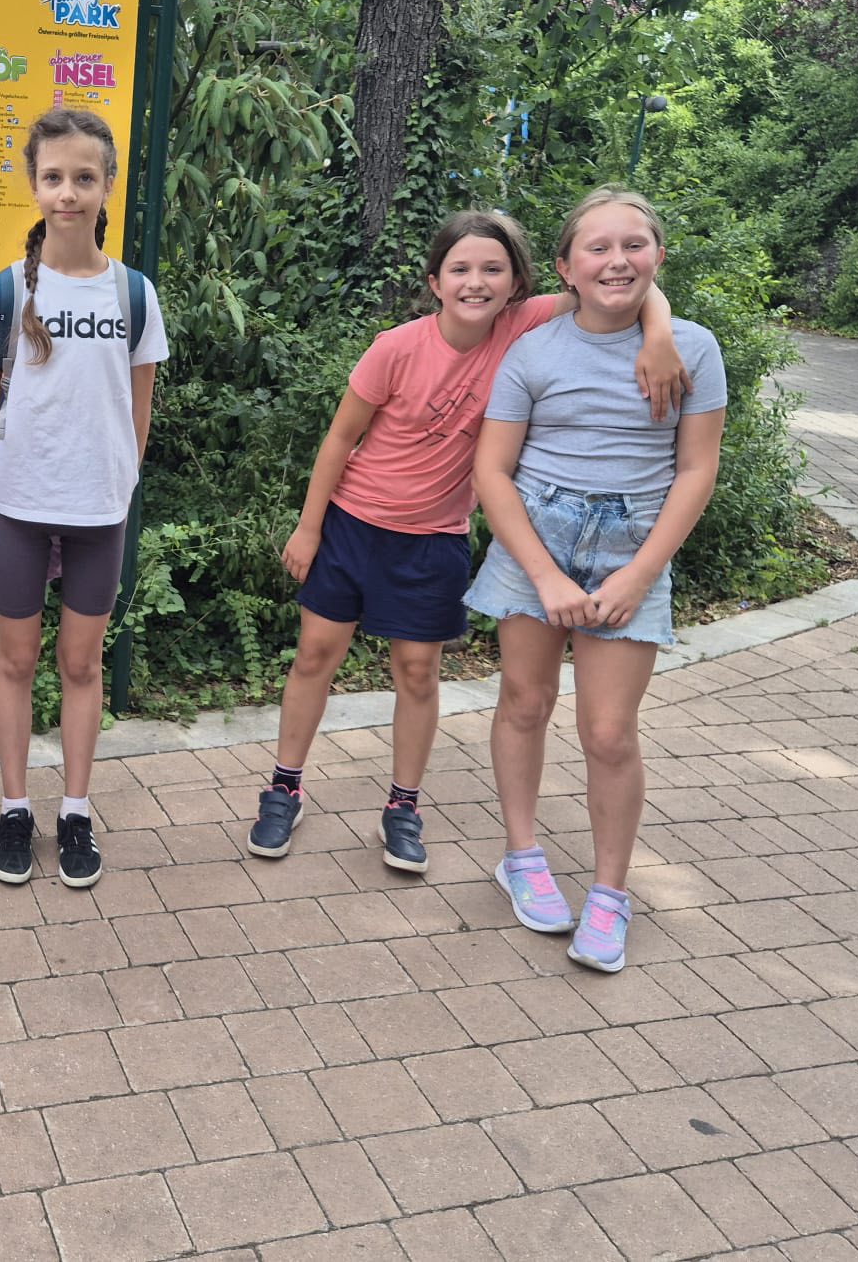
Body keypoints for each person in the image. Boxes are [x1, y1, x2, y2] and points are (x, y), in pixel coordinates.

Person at [249, 211, 688, 871]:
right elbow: (340, 438)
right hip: (352, 527)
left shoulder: (519, 326)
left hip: (434, 540)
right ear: (435, 282)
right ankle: (285, 786)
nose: (476, 282)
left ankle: (403, 805)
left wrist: (659, 335)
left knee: (417, 672)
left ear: (517, 284)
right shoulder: (396, 347)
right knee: (315, 655)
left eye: (492, 269)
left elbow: (621, 286)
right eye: (459, 269)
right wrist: (309, 528)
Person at [469, 187, 725, 973]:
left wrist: (641, 575)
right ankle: (522, 856)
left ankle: (610, 895)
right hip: (533, 544)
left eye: (634, 245)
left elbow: (696, 469)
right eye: (598, 248)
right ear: (565, 268)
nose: (618, 261)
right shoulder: (533, 350)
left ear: (659, 256)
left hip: (631, 550)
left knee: (609, 733)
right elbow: (492, 470)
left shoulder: (691, 349)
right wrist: (543, 576)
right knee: (525, 703)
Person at [0, 108, 168, 890]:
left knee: (81, 665)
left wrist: (114, 480)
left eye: (84, 177)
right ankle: (15, 808)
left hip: (98, 515)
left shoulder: (134, 294)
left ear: (107, 185)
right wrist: (5, 482)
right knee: (15, 660)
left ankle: (75, 812)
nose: (68, 193)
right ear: (34, 184)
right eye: (53, 177)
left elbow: (138, 409)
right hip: (18, 509)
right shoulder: (4, 293)